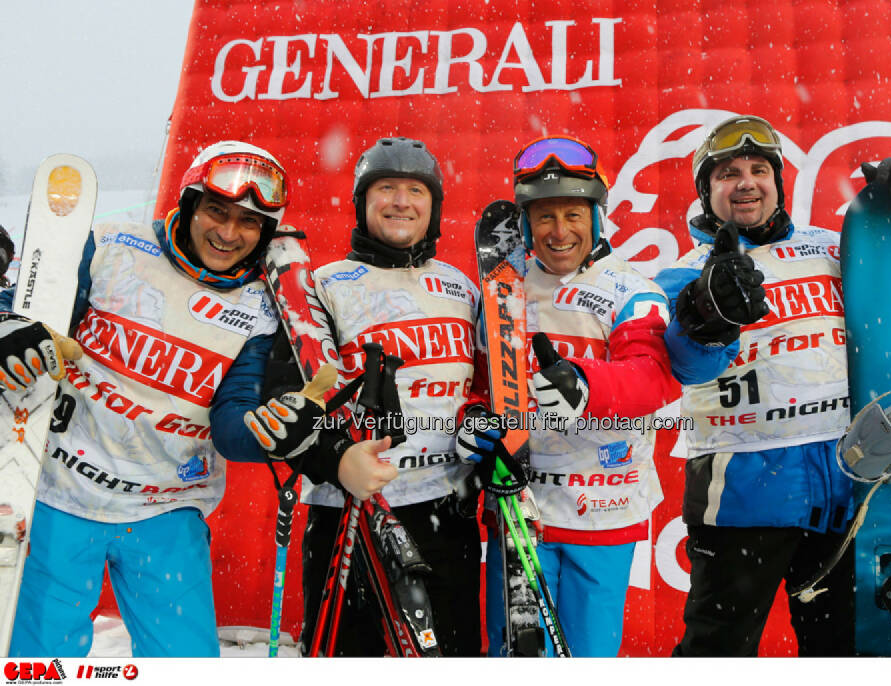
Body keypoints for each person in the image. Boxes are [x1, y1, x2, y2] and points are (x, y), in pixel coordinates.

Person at [1, 140, 388, 657]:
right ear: (188, 203)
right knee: (41, 663)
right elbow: (26, 306)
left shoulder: (261, 308)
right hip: (60, 493)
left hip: (167, 508)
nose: (228, 233)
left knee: (187, 664)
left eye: (249, 222)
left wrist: (269, 432)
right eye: (216, 210)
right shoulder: (114, 246)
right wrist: (11, 330)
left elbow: (232, 425)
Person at [653, 114, 891, 656]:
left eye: (759, 169)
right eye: (727, 173)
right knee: (718, 652)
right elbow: (682, 368)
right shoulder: (680, 275)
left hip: (845, 486)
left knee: (841, 649)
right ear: (705, 190)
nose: (746, 182)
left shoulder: (833, 249)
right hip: (742, 498)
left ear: (778, 183)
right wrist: (706, 321)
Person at [458, 136, 719, 657]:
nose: (559, 232)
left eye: (573, 215)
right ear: (527, 221)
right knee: (515, 657)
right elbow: (480, 388)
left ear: (596, 217)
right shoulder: (500, 289)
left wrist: (588, 384)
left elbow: (654, 376)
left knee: (588, 655)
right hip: (519, 510)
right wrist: (473, 423)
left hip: (602, 506)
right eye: (545, 216)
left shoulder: (629, 290)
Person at [292, 136, 483, 657]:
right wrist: (335, 457)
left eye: (415, 190)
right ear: (362, 201)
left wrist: (487, 428)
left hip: (446, 507)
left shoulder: (463, 288)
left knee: (453, 652)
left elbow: (482, 389)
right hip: (350, 510)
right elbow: (295, 407)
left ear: (434, 205)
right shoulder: (323, 286)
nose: (401, 201)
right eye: (386, 188)